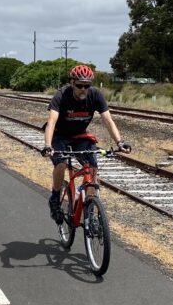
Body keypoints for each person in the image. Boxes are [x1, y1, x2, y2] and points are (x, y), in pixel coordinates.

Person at [40, 65, 131, 220]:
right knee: (61, 164)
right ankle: (55, 198)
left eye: (87, 86)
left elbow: (108, 120)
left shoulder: (95, 95)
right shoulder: (62, 95)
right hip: (59, 136)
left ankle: (90, 210)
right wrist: (48, 146)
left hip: (80, 136)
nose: (83, 89)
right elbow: (51, 122)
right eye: (80, 85)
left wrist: (120, 143)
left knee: (92, 169)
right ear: (72, 83)